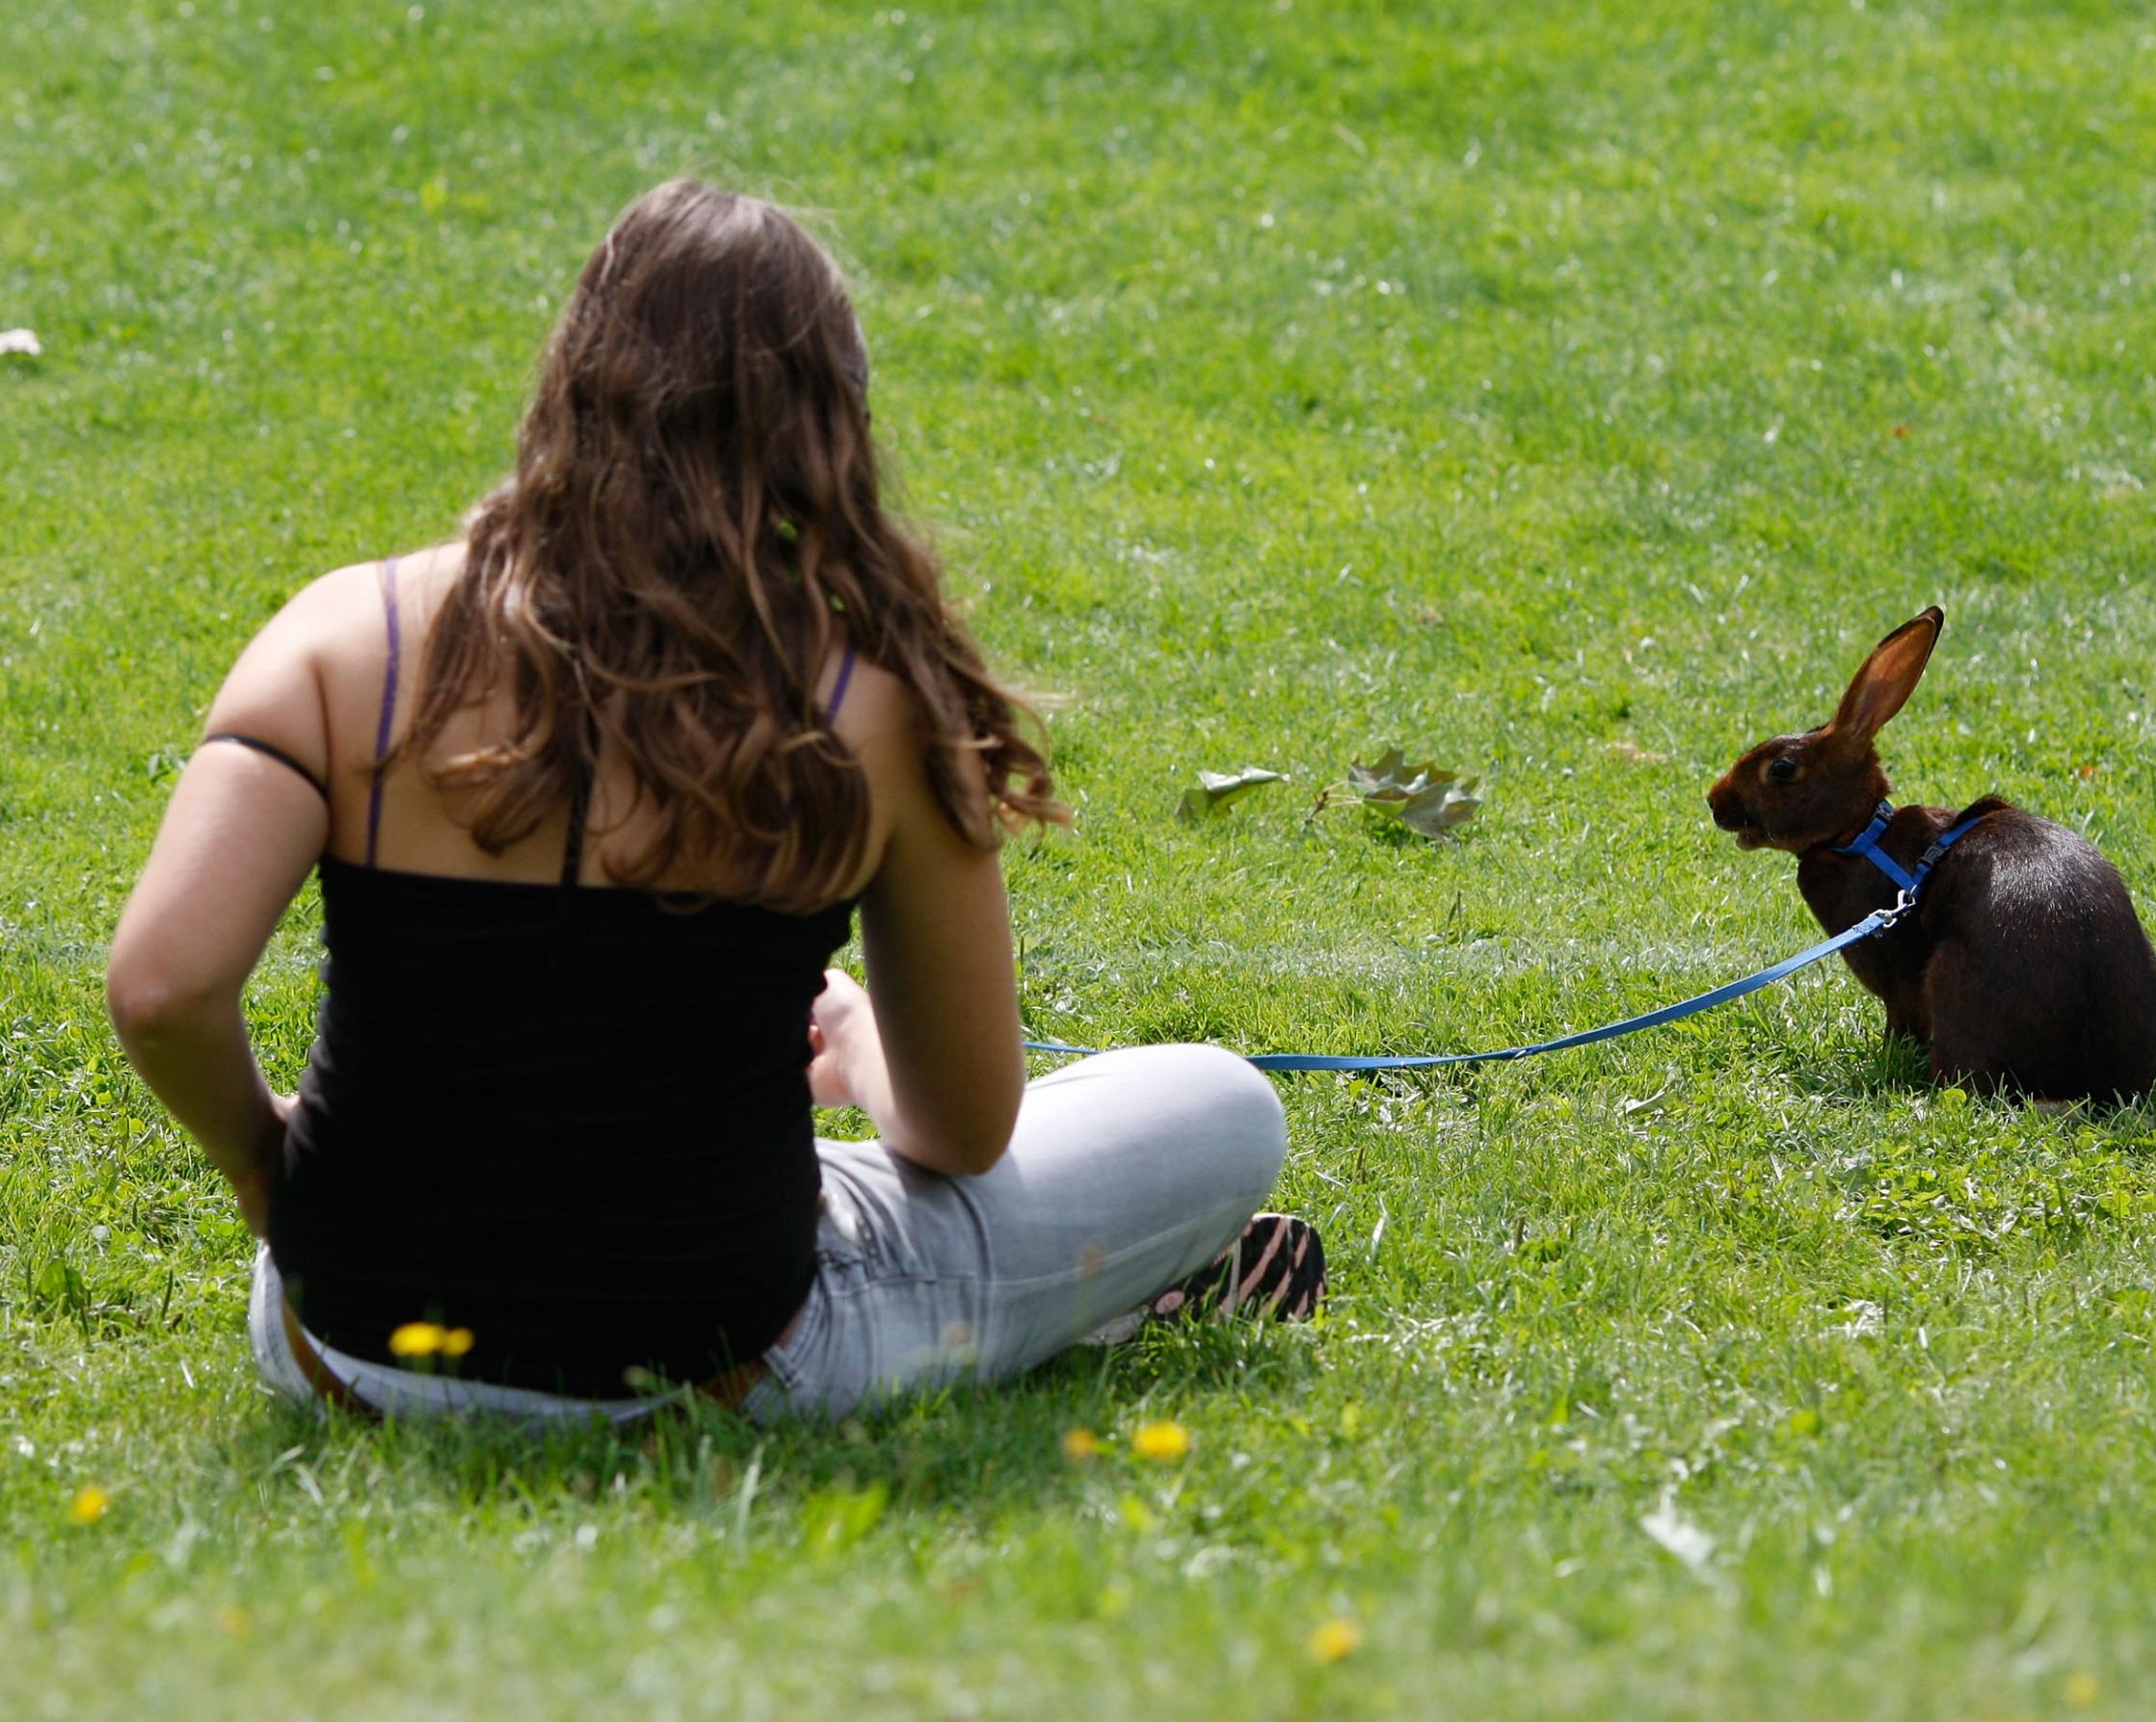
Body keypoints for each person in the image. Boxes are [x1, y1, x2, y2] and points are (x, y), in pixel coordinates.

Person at [106, 180, 1324, 1423]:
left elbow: (161, 986)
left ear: (570, 381)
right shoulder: (870, 709)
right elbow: (961, 1136)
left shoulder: (339, 641)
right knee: (1223, 1108)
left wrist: (272, 1174)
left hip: (345, 1351)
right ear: (827, 428)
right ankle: (1108, 1294)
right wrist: (855, 1041)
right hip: (723, 1367)